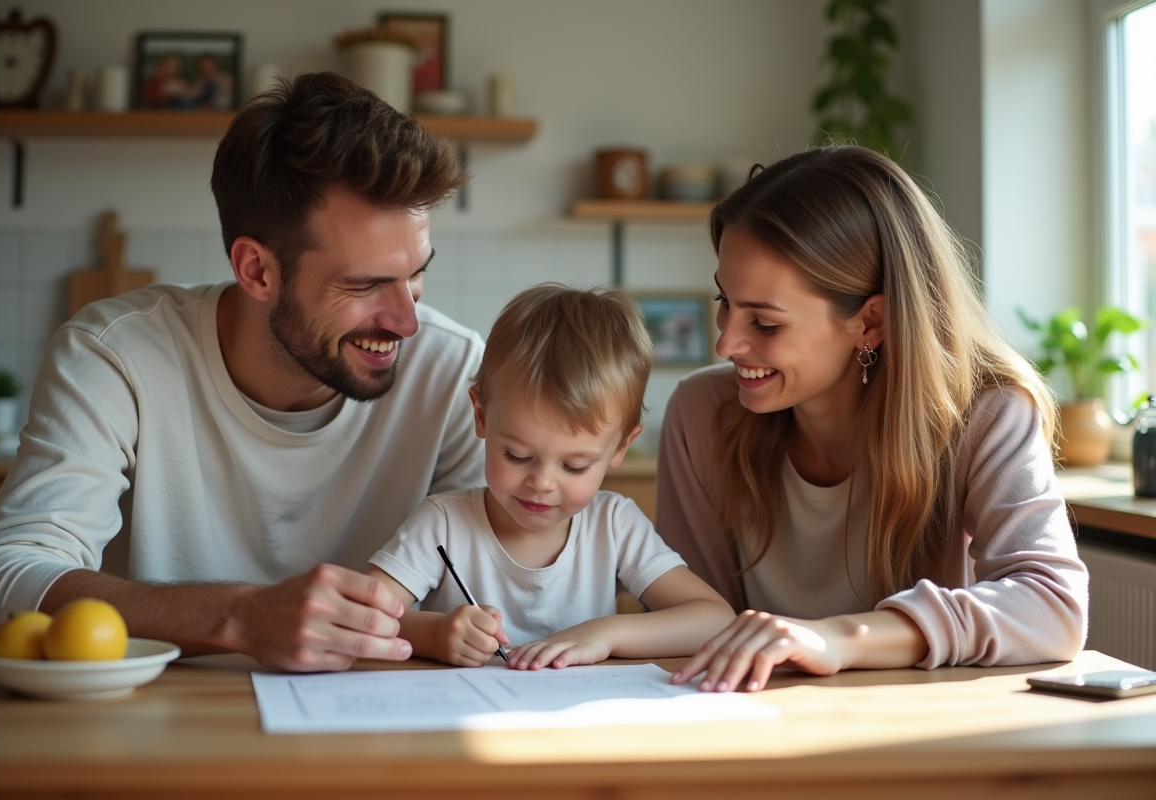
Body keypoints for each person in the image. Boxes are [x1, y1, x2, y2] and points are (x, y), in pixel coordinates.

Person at [0, 72, 485, 672]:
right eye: (365, 285)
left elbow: (493, 594)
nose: (407, 323)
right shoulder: (116, 356)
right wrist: (239, 616)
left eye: (416, 274)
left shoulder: (455, 372)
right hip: (153, 734)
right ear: (257, 270)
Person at [660, 145, 1089, 693]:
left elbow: (1053, 607)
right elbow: (695, 621)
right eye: (725, 302)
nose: (726, 342)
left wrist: (838, 639)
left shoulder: (988, 413)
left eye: (764, 323)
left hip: (916, 737)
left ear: (871, 321)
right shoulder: (702, 414)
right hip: (754, 725)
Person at [367, 285, 736, 669]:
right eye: (518, 455)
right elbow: (363, 615)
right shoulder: (442, 523)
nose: (542, 483)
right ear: (481, 415)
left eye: (575, 466)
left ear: (621, 448)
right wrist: (435, 634)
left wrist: (604, 635)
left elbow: (714, 620)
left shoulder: (614, 525)